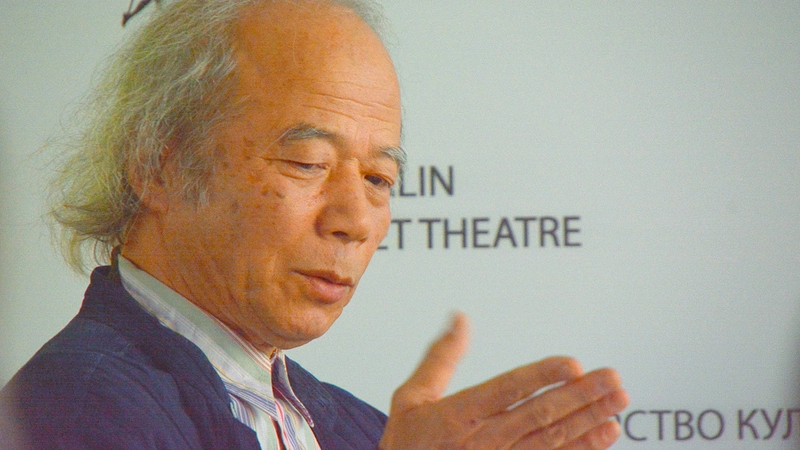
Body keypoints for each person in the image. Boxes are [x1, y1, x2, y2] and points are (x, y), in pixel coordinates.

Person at [0, 0, 629, 448]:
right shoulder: (74, 407)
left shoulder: (360, 430)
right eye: (307, 163)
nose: (355, 220)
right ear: (157, 166)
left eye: (379, 179)